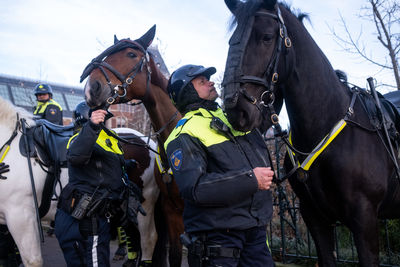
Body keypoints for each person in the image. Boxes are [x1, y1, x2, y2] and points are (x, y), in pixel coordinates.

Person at [164, 64, 275, 267]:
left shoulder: (234, 119)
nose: (211, 82)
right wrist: (251, 180)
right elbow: (195, 188)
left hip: (255, 234)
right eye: (202, 81)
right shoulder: (183, 134)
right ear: (186, 91)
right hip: (218, 240)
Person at [54, 101, 143, 267]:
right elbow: (77, 156)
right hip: (86, 218)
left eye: (104, 119)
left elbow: (106, 165)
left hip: (99, 216)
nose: (104, 122)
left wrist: (127, 164)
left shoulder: (107, 139)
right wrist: (92, 126)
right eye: (100, 118)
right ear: (88, 119)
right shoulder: (78, 139)